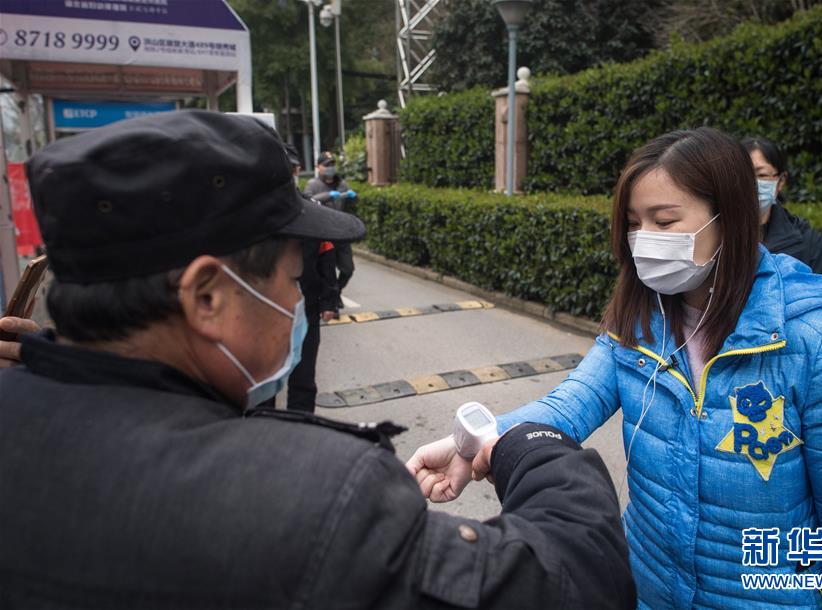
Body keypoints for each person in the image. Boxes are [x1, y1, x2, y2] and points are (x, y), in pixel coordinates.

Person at [0, 110, 636, 609]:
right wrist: (523, 444)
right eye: (290, 279)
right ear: (207, 297)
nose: (297, 301)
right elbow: (572, 576)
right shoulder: (319, 498)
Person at [409, 127, 822, 608]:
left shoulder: (818, 343)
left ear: (729, 217)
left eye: (664, 221)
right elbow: (569, 405)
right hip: (646, 591)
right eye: (633, 223)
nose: (644, 240)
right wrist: (471, 444)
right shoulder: (639, 320)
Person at [280, 143, 340, 411]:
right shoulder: (253, 215)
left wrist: (329, 300)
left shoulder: (312, 211)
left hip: (306, 308)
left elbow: (327, 257)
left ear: (297, 170)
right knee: (263, 386)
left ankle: (301, 426)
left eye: (290, 168)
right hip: (264, 312)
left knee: (303, 379)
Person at [742, 136, 822, 281]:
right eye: (744, 175)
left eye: (761, 175)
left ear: (781, 181)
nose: (752, 184)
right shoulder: (714, 234)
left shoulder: (808, 243)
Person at [304, 151, 356, 305]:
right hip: (324, 234)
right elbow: (308, 201)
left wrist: (354, 197)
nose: (330, 168)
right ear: (318, 167)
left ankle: (337, 292)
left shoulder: (341, 184)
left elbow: (352, 204)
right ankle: (330, 301)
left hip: (342, 232)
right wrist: (328, 196)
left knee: (347, 269)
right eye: (326, 165)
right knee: (328, 272)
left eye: (332, 164)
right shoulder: (313, 185)